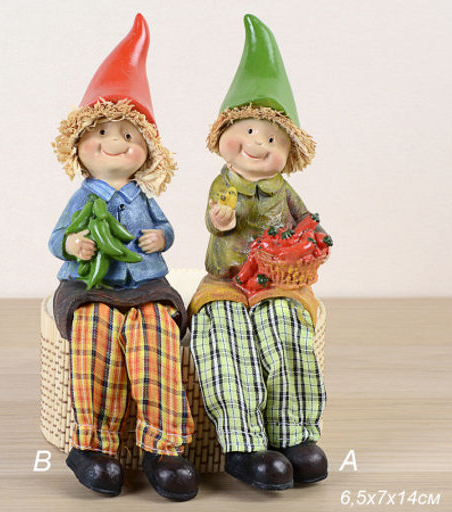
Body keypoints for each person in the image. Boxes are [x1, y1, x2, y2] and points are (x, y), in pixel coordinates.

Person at [49, 14, 197, 501]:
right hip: (92, 286)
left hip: (146, 285)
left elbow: (167, 228)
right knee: (94, 337)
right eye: (103, 132)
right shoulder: (82, 198)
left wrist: (160, 237)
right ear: (79, 146)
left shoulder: (142, 197)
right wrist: (74, 244)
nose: (115, 142)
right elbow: (56, 238)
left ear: (146, 151)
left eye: (129, 136)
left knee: (156, 336)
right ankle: (93, 445)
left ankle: (164, 446)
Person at [189, 14, 328, 491]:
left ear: (288, 151)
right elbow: (216, 216)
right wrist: (221, 219)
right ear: (225, 135)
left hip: (277, 284)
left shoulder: (283, 189)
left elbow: (306, 219)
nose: (256, 144)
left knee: (286, 334)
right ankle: (243, 444)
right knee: (224, 340)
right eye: (247, 132)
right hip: (226, 282)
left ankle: (294, 435)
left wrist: (314, 236)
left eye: (271, 139)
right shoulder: (223, 183)